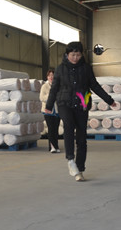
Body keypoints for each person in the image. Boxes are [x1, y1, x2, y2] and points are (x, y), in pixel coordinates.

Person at [44, 41, 116, 182]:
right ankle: (70, 160)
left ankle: (80, 169)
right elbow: (54, 88)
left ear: (81, 54)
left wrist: (109, 100)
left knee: (82, 137)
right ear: (67, 54)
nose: (75, 58)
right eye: (73, 55)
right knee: (69, 126)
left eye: (78, 55)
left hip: (82, 103)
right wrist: (49, 105)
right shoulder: (60, 69)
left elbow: (94, 86)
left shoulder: (86, 68)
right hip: (64, 103)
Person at [39, 68, 61, 153]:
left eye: (53, 75)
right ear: (47, 77)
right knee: (51, 129)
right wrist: (51, 95)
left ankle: (56, 146)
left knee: (55, 129)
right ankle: (52, 147)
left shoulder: (58, 86)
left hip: (57, 111)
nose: (51, 77)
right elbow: (41, 98)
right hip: (48, 111)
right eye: (49, 75)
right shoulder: (44, 86)